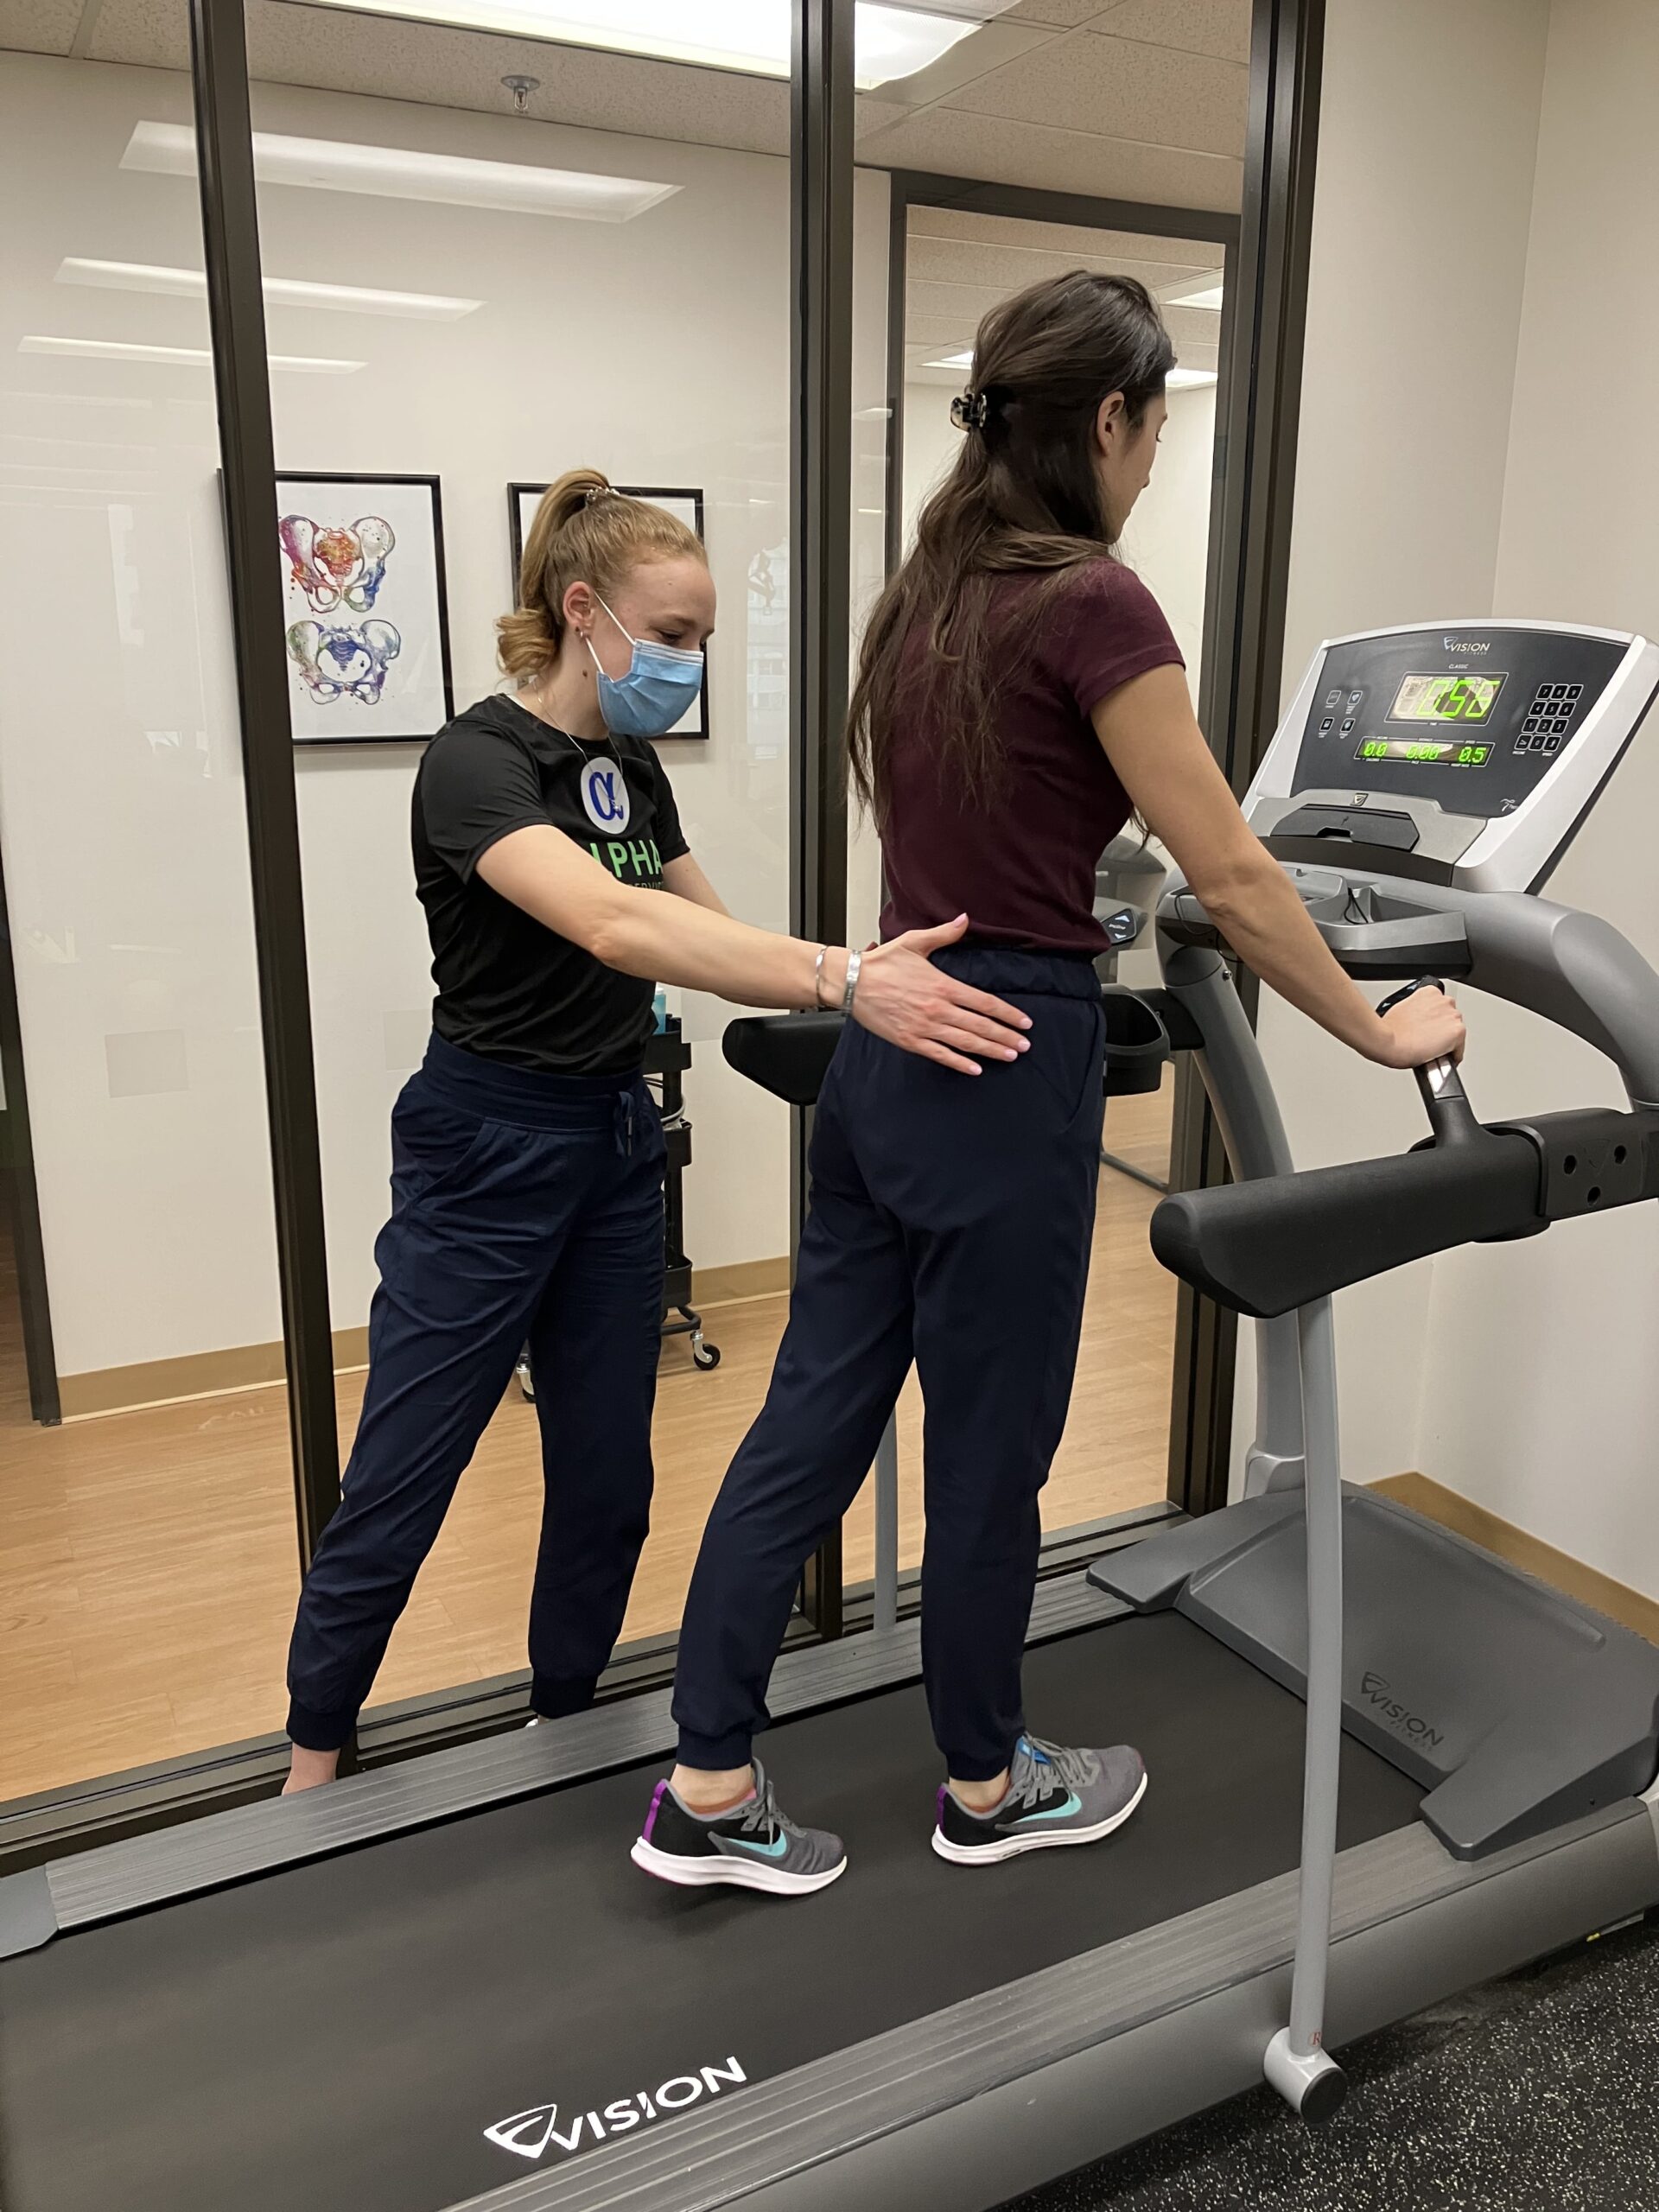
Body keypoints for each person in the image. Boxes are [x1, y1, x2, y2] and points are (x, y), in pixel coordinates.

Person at [633, 273, 1466, 1892]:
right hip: (1008, 1054)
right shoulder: (1093, 601)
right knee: (994, 1447)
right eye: (1154, 434)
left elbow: (1025, 820)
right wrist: (1380, 1032)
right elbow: (1226, 868)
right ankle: (987, 1785)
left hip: (895, 1031)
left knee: (811, 1418)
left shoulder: (926, 591)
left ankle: (710, 1786)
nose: (1151, 469)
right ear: (1108, 418)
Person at [282, 471, 1033, 1792]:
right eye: (674, 636)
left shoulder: (628, 768)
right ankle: (312, 1749)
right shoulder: (475, 765)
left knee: (607, 1477)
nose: (689, 663)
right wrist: (847, 980)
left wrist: (865, 972)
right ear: (586, 613)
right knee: (408, 1468)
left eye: (700, 639)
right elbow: (616, 926)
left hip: (614, 1146)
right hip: (485, 1144)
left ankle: (561, 1717)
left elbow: (708, 929)